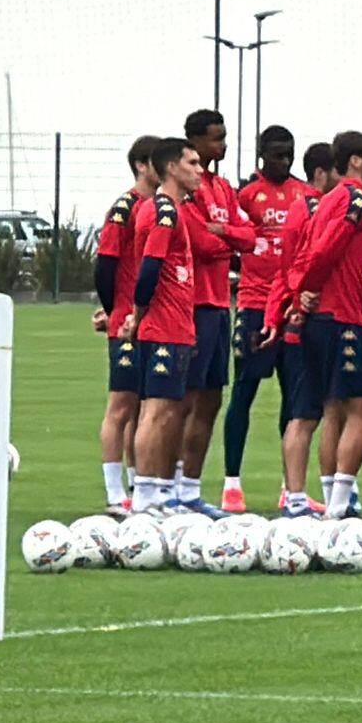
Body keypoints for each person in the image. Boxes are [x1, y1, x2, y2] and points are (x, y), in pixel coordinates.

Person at [276, 130, 362, 523]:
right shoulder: (355, 200)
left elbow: (306, 250)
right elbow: (324, 251)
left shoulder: (324, 201)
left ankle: (297, 504)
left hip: (320, 317)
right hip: (341, 318)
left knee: (310, 411)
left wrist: (298, 293)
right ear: (355, 161)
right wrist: (308, 287)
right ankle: (338, 508)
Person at [218, 125, 311, 514]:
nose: (284, 160)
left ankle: (288, 487)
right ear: (261, 154)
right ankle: (232, 484)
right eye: (276, 154)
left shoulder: (305, 195)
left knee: (295, 395)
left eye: (289, 153)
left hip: (291, 307)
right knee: (245, 389)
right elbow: (233, 241)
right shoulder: (246, 195)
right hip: (256, 305)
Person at [116, 137, 203, 517]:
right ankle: (146, 495)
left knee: (167, 410)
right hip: (163, 326)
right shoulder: (164, 212)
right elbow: (149, 267)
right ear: (172, 168)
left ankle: (156, 494)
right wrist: (138, 314)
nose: (200, 171)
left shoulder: (172, 210)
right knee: (156, 410)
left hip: (175, 325)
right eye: (193, 163)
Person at [175, 109, 254, 518]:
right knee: (183, 401)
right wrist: (229, 240)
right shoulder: (187, 186)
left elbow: (251, 236)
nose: (223, 145)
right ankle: (168, 486)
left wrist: (226, 235)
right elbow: (202, 244)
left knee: (210, 399)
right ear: (194, 141)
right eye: (216, 138)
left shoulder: (223, 187)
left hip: (221, 304)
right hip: (192, 305)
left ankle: (190, 489)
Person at [258, 141, 334, 515]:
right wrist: (293, 303)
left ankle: (301, 494)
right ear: (322, 174)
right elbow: (292, 269)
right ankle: (295, 497)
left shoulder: (302, 208)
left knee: (313, 412)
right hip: (304, 325)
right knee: (303, 414)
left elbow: (284, 271)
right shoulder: (311, 209)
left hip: (305, 320)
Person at [90, 134, 159, 516]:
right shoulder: (125, 209)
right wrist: (114, 309)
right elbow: (105, 264)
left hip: (152, 322)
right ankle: (114, 491)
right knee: (121, 406)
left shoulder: (161, 207)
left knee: (145, 406)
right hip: (128, 324)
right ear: (141, 166)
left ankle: (137, 483)